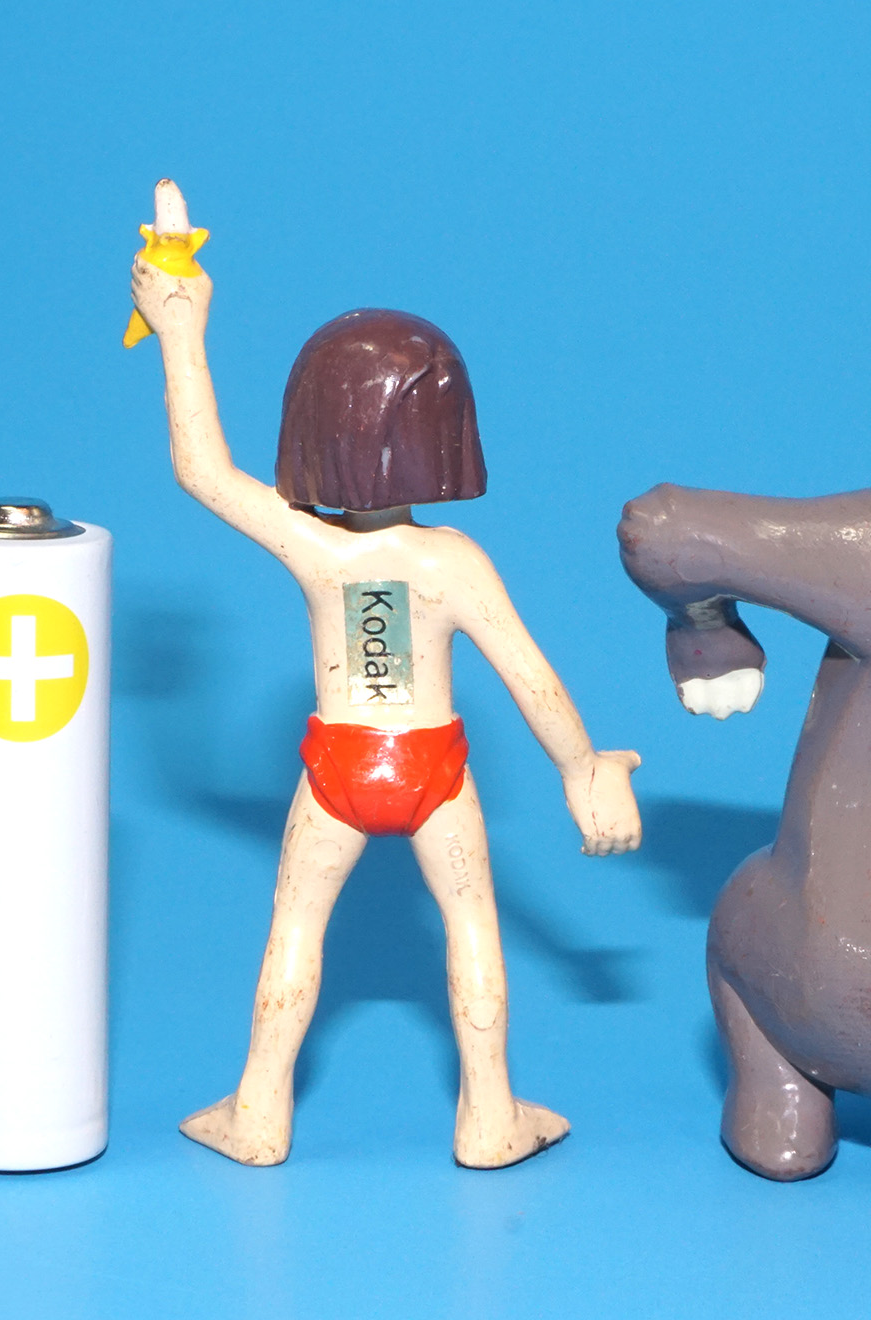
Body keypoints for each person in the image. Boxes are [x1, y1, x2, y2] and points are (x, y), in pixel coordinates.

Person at [130, 181, 641, 1168]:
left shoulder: (316, 548)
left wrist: (180, 331)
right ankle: (488, 1118)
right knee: (472, 926)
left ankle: (259, 1111)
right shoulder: (453, 564)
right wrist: (583, 768)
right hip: (432, 769)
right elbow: (531, 678)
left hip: (339, 768)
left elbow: (202, 471)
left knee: (295, 927)